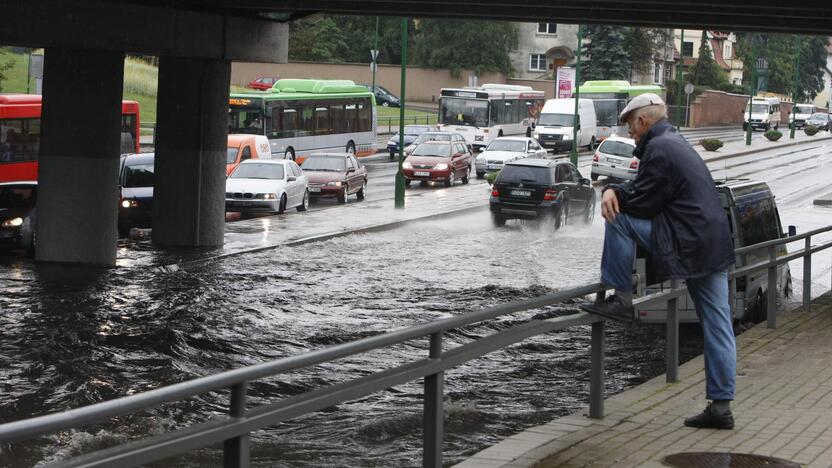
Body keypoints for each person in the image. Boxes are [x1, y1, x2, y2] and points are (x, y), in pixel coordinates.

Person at [581, 93, 737, 430]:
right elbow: (646, 186)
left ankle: (621, 297)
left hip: (688, 241)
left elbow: (644, 201)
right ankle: (721, 407)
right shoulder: (673, 141)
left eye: (630, 126)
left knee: (617, 217)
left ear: (642, 120)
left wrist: (612, 193)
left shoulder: (660, 148)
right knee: (718, 326)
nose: (630, 133)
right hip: (710, 243)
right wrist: (620, 188)